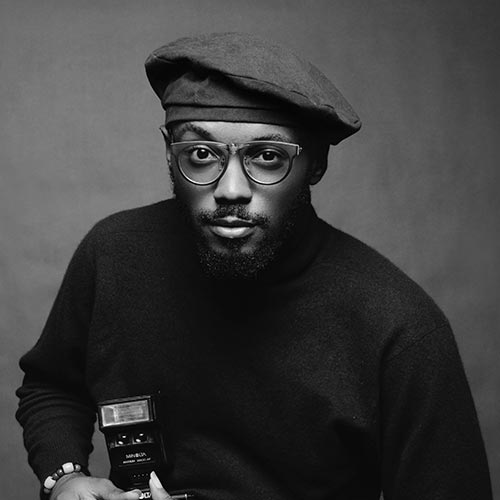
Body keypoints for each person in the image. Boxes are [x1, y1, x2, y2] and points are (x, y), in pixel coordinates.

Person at [16, 32, 492, 500]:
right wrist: (65, 479)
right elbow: (52, 384)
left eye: (266, 156)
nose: (231, 190)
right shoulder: (114, 254)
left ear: (316, 164)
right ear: (169, 153)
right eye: (201, 154)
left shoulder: (397, 327)